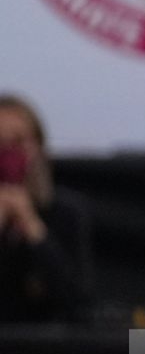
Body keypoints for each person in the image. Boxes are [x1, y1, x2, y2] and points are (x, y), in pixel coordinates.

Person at [0, 96, 94, 325]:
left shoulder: (66, 211)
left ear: (38, 147)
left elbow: (79, 304)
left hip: (47, 350)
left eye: (18, 141)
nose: (8, 154)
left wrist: (35, 231)